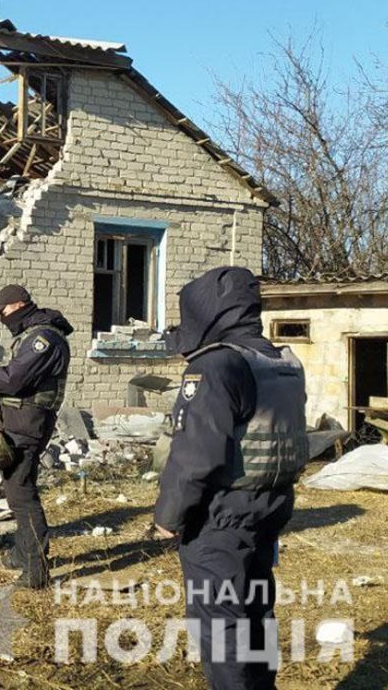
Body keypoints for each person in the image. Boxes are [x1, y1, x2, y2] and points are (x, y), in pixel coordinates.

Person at [153, 266, 308, 690]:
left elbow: (196, 454)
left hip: (219, 517)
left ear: (207, 313)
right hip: (271, 505)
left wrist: (169, 515)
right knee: (258, 611)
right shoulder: (280, 360)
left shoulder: (217, 364)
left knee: (222, 627)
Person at [0, 285, 72, 589]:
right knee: (16, 491)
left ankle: (36, 572)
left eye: (4, 311)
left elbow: (13, 379)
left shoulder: (43, 339)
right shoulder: (31, 335)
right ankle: (21, 555)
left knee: (22, 496)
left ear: (19, 304)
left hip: (27, 425)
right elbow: (17, 387)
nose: (4, 318)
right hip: (18, 421)